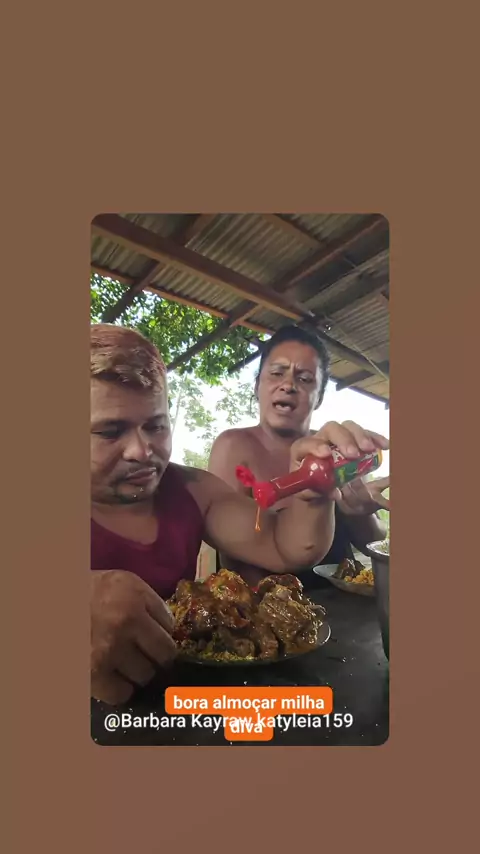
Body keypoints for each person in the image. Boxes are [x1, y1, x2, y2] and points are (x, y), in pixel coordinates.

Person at [90, 324, 382, 705]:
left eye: (156, 426)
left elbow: (286, 547)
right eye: (111, 431)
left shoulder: (192, 490)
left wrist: (311, 492)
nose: (141, 451)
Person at [208, 325, 389, 587]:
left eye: (304, 379)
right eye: (276, 373)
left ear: (319, 397)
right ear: (257, 385)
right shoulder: (233, 446)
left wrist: (361, 514)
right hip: (265, 605)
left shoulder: (337, 450)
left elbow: (373, 540)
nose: (288, 385)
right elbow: (231, 554)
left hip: (343, 601)